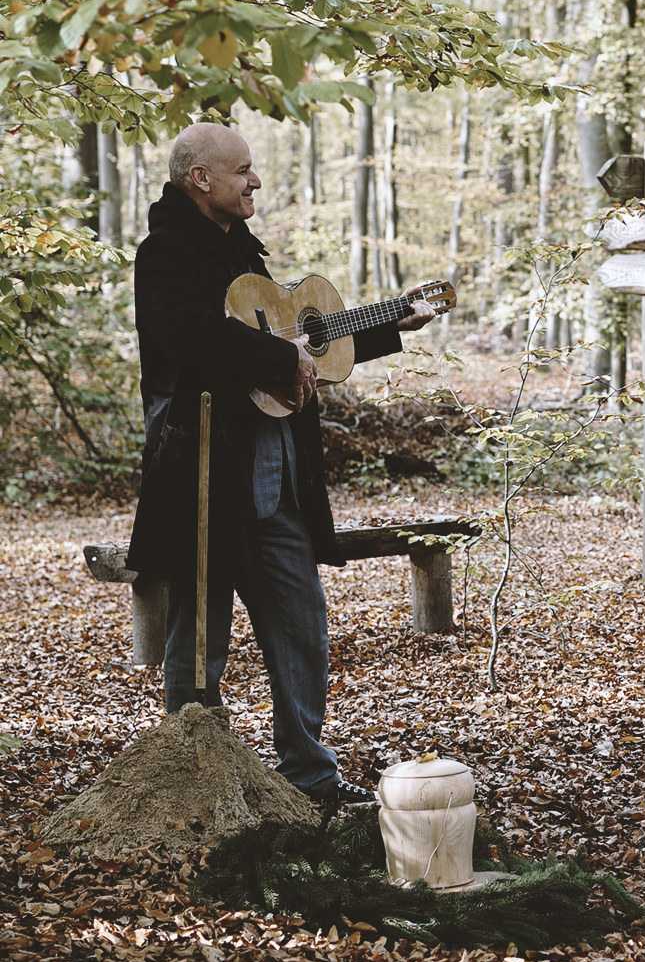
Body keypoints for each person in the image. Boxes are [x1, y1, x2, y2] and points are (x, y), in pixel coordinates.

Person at [126, 123, 436, 804]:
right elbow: (193, 341)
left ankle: (309, 777)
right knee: (199, 635)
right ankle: (196, 783)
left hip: (276, 477)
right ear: (198, 178)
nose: (254, 181)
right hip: (204, 472)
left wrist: (389, 325)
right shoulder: (165, 254)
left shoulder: (245, 251)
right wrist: (275, 358)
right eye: (241, 170)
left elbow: (297, 342)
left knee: (301, 628)